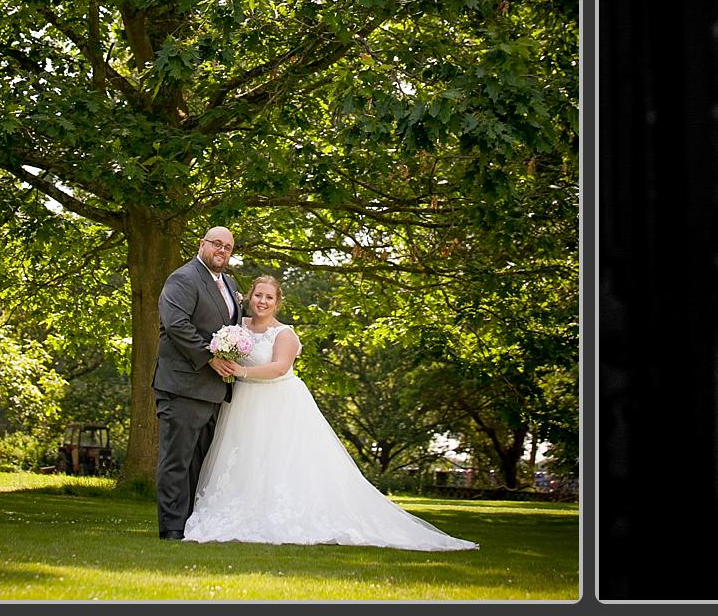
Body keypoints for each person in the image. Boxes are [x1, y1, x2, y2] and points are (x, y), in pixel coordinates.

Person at [184, 273, 477, 550]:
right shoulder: (238, 328)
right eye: (258, 294)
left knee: (277, 459)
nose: (262, 301)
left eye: (269, 297)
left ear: (277, 302)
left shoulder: (284, 334)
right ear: (249, 297)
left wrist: (241, 371)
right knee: (244, 456)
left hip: (277, 401)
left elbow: (279, 368)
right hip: (243, 402)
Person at [154, 225, 244, 539]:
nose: (222, 250)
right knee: (177, 460)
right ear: (202, 244)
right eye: (216, 243)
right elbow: (176, 324)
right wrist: (210, 357)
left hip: (216, 390)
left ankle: (192, 524)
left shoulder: (230, 284)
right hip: (183, 385)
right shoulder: (184, 278)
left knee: (199, 464)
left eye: (228, 247)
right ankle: (172, 529)